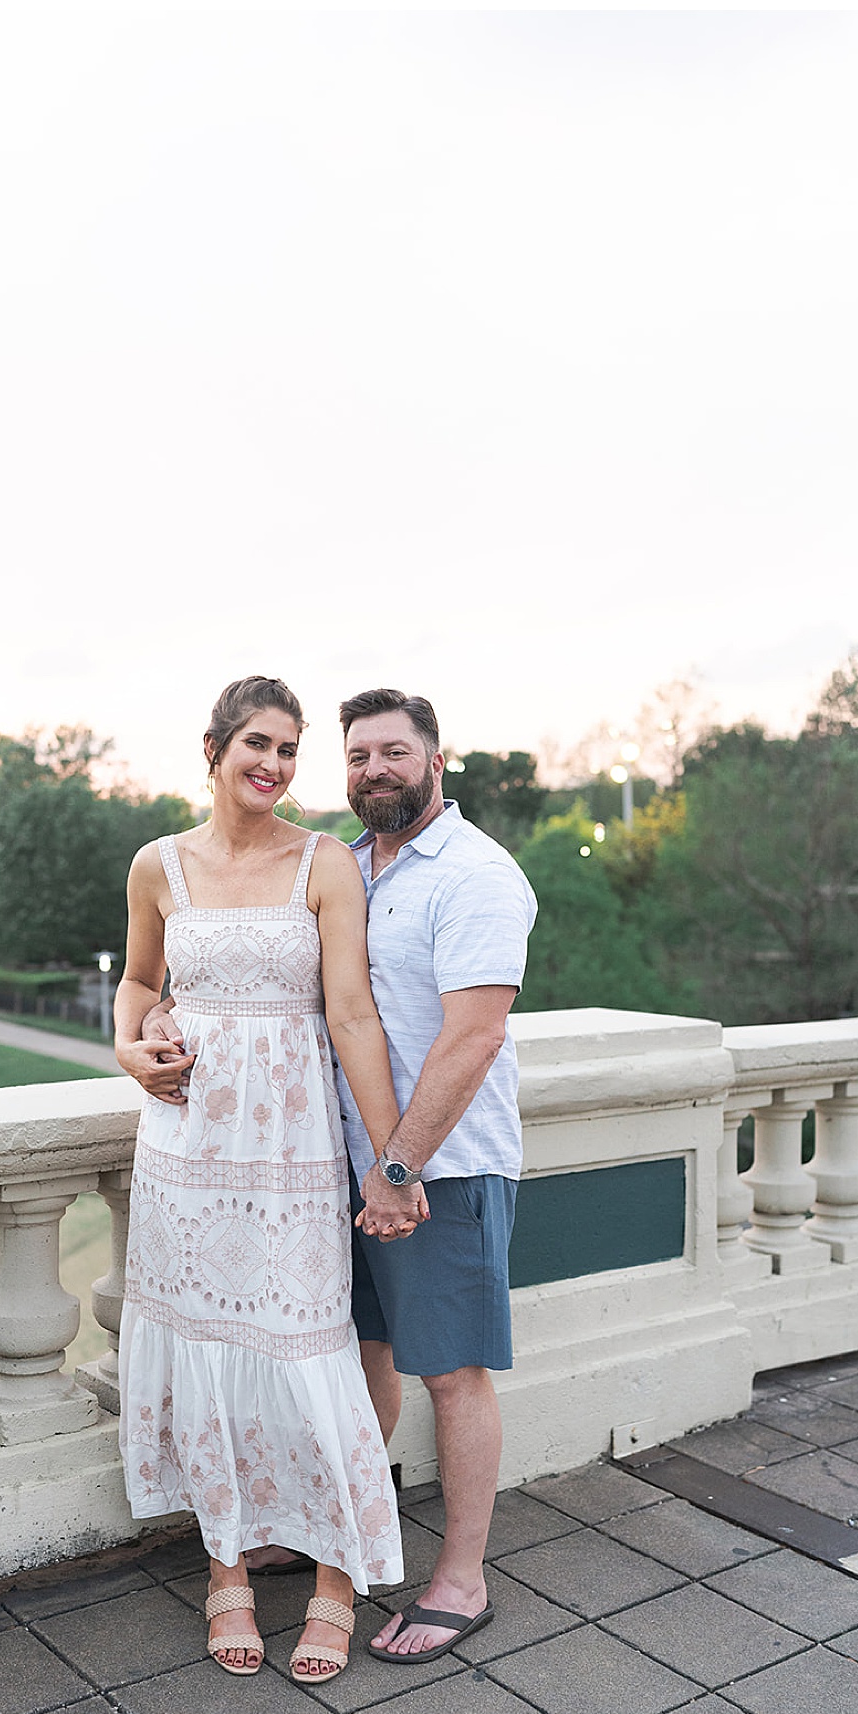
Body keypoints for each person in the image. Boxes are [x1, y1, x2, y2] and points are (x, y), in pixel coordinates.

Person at [113, 675, 405, 1683]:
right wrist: (128, 1046)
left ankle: (336, 1577)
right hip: (184, 1151)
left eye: (288, 750)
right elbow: (141, 982)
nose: (275, 767)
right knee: (205, 1347)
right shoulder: (158, 865)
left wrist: (390, 1158)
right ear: (213, 747)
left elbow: (353, 1014)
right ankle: (225, 1561)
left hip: (288, 1153)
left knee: (306, 1345)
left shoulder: (324, 865)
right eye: (257, 745)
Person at [337, 687, 538, 1663]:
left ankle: (462, 1578)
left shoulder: (476, 874)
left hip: (439, 1170)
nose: (374, 769)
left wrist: (399, 1163)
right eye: (358, 755)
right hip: (352, 1167)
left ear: (436, 760)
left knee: (451, 1375)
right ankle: (352, 1541)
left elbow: (474, 1036)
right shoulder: (349, 866)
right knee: (364, 1357)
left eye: (392, 752)